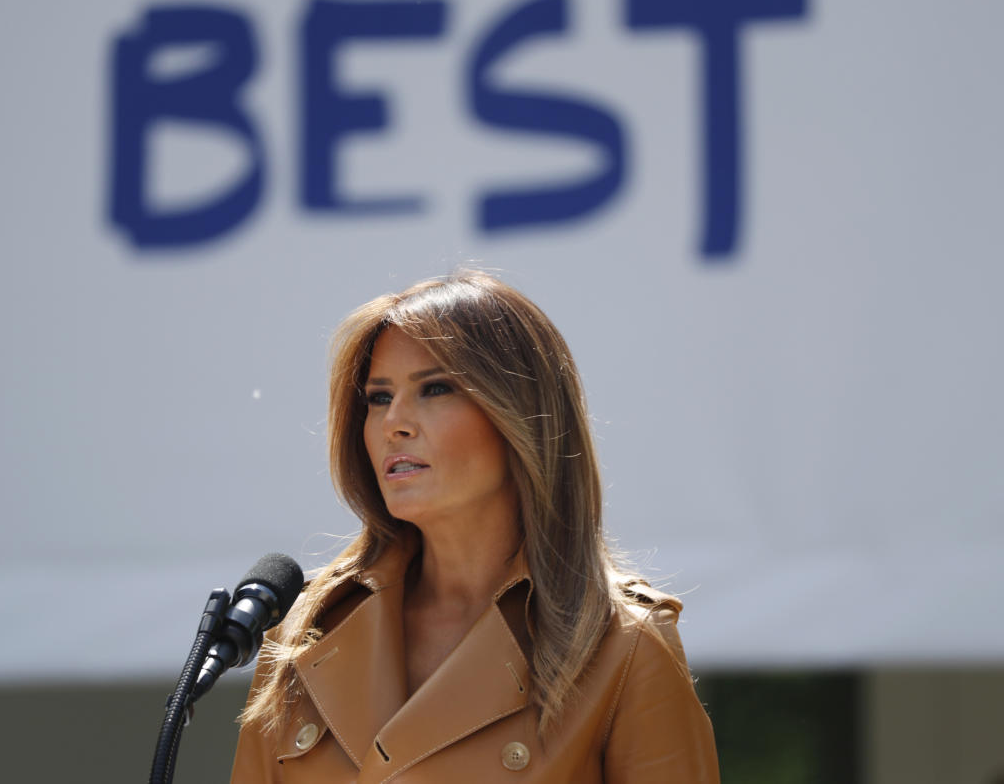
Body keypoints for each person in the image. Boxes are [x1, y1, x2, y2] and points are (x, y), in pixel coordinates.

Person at [230, 271, 719, 783]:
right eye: (378, 397)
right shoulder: (307, 631)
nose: (394, 421)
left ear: (520, 416)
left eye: (435, 389)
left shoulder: (625, 647)